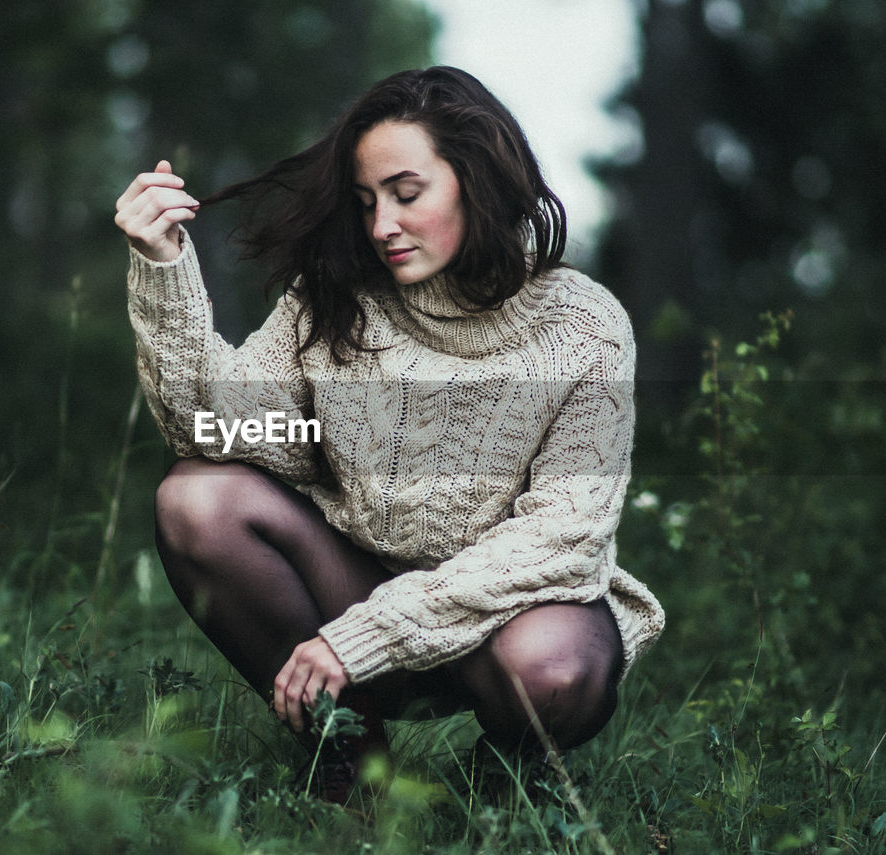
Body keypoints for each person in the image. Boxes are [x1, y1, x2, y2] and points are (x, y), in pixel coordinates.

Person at [114, 66, 664, 802]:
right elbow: (211, 428)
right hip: (355, 583)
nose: (381, 226)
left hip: (508, 617)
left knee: (556, 671)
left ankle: (501, 786)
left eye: (407, 195)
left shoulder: (583, 329)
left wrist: (367, 635)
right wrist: (163, 265)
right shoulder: (336, 299)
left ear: (479, 178)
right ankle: (352, 760)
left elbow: (560, 540)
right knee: (197, 499)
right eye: (368, 201)